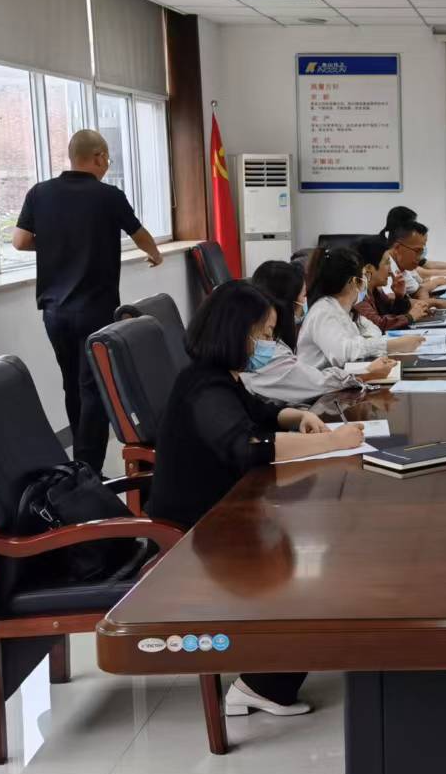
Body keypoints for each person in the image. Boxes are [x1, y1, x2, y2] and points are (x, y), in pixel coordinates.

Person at [148, 280, 365, 717]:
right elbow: (246, 446)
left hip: (226, 508)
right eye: (262, 334)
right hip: (197, 529)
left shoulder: (219, 378)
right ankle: (262, 684)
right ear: (235, 333)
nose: (268, 344)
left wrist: (295, 415)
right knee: (317, 563)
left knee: (322, 544)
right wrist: (331, 442)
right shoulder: (204, 387)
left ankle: (274, 670)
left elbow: (256, 412)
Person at [12, 128, 163, 472]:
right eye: (107, 159)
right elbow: (138, 233)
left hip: (54, 311)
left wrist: (55, 241)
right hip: (95, 309)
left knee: (72, 384)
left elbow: (20, 241)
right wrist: (154, 254)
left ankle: (80, 467)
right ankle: (89, 468)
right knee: (94, 385)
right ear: (99, 157)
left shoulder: (39, 192)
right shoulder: (108, 196)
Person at [244, 261, 391, 402]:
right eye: (303, 296)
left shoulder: (275, 342)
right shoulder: (268, 351)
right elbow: (315, 382)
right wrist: (367, 373)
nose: (305, 302)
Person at [297, 245, 423, 370]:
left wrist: (369, 344)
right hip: (323, 382)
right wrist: (392, 345)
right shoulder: (323, 311)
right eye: (363, 276)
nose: (365, 282)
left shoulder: (346, 310)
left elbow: (374, 331)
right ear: (353, 282)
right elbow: (344, 353)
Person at [354, 235, 434, 331]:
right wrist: (410, 317)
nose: (390, 269)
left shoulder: (375, 291)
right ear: (369, 268)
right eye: (387, 263)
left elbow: (391, 314)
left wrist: (399, 296)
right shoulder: (358, 295)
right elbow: (378, 325)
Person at [381, 205, 446, 276]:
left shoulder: (408, 246)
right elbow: (417, 272)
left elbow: (428, 264)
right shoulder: (385, 248)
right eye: (412, 224)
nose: (415, 227)